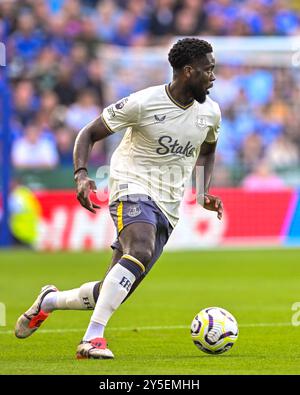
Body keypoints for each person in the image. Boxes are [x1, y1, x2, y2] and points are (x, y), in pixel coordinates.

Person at [15, 38, 223, 359]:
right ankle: (92, 339)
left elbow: (207, 151)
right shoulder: (144, 102)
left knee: (113, 289)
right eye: (208, 70)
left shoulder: (210, 113)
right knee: (140, 247)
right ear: (187, 71)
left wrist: (204, 190)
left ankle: (50, 301)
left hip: (168, 205)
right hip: (130, 184)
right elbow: (89, 133)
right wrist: (81, 175)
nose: (213, 77)